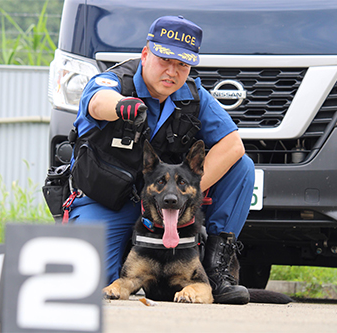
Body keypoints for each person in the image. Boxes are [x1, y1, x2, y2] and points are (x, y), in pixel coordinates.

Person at [66, 16, 255, 304]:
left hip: (164, 204)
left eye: (182, 64)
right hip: (109, 200)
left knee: (243, 167)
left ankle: (216, 270)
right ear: (145, 54)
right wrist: (122, 106)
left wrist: (182, 193)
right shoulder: (116, 81)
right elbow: (97, 102)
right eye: (164, 59)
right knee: (95, 283)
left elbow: (233, 145)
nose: (172, 71)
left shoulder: (193, 95)